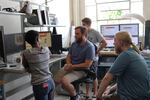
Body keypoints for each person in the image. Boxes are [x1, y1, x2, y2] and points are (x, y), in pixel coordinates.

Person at [96, 31, 150, 100]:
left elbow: (107, 78)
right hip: (141, 95)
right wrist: (110, 89)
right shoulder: (134, 53)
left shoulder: (126, 55)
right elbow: (127, 80)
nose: (113, 43)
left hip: (132, 97)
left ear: (121, 42)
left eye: (115, 40)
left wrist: (98, 97)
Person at [54, 26, 95, 100]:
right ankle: (74, 92)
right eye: (75, 33)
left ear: (84, 34)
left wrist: (72, 66)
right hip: (71, 67)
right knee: (55, 80)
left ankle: (75, 95)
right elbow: (68, 56)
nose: (75, 35)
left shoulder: (89, 47)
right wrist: (69, 64)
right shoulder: (74, 44)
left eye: (77, 34)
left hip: (82, 70)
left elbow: (87, 64)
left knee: (64, 81)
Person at [22, 30, 55, 100]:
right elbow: (49, 57)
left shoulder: (26, 53)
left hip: (40, 85)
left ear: (27, 42)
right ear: (37, 39)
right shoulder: (46, 49)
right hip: (50, 82)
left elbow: (25, 65)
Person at [82, 17, 107, 98]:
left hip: (93, 58)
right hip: (85, 58)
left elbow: (104, 43)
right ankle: (87, 93)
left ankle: (95, 93)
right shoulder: (84, 33)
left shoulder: (95, 32)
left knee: (93, 75)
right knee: (86, 75)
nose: (82, 26)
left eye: (84, 25)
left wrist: (97, 51)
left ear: (89, 24)